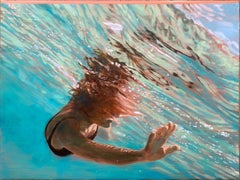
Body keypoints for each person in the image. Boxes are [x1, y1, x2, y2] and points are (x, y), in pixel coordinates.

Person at [45, 50, 180, 165]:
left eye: (115, 112)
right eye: (113, 112)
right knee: (106, 127)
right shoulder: (66, 129)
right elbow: (97, 154)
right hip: (73, 129)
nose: (117, 115)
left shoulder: (94, 109)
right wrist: (143, 155)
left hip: (90, 108)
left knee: (106, 81)